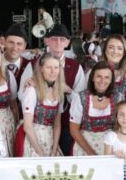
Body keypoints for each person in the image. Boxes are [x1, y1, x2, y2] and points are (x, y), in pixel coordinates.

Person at [19, 24, 85, 155]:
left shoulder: (76, 67)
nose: (58, 42)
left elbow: (81, 100)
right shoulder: (33, 65)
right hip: (36, 128)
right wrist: (34, 89)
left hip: (67, 126)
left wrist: (69, 91)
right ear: (46, 40)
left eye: (62, 39)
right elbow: (22, 95)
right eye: (54, 38)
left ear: (67, 43)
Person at [15, 53, 64, 157]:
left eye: (56, 67)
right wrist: (40, 152)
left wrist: (54, 149)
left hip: (50, 138)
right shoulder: (32, 90)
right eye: (48, 67)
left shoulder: (58, 91)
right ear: (41, 69)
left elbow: (57, 125)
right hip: (33, 139)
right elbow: (27, 126)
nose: (53, 71)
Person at [70, 62, 115, 155]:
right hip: (85, 148)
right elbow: (74, 129)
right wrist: (91, 154)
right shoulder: (80, 97)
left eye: (107, 77)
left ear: (111, 80)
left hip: (110, 147)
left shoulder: (117, 98)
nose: (102, 80)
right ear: (93, 78)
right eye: (99, 76)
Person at [97, 34, 126, 100]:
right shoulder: (94, 72)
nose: (115, 51)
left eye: (119, 48)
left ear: (124, 52)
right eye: (111, 47)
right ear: (105, 50)